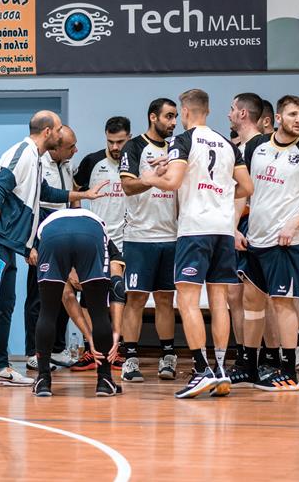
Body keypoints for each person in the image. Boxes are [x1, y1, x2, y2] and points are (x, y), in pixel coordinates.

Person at [0, 110, 108, 390]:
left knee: (5, 306)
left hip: (7, 244)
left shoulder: (36, 159)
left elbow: (43, 193)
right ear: (47, 132)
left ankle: (0, 366)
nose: (61, 134)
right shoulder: (20, 153)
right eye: (58, 130)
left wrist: (83, 195)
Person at [142, 89, 253, 399]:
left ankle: (202, 369)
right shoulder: (228, 144)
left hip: (195, 229)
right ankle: (220, 370)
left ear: (186, 112)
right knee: (220, 301)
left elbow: (173, 181)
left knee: (188, 301)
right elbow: (247, 186)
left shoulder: (184, 140)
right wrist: (218, 192)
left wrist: (151, 177)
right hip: (222, 230)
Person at [237, 95, 299, 391]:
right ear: (278, 117)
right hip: (254, 239)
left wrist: (294, 223)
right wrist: (233, 227)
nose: (298, 119)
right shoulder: (255, 147)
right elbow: (242, 191)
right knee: (251, 302)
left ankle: (288, 371)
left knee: (283, 305)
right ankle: (250, 367)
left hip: (285, 243)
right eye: (292, 114)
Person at [31, 208, 126, 397]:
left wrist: (92, 338)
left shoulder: (53, 233)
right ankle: (104, 380)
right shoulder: (106, 243)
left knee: (47, 312)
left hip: (52, 233)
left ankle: (43, 380)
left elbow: (66, 297)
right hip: (89, 232)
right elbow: (117, 287)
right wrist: (114, 333)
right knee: (99, 311)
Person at [118, 99, 179, 382]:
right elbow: (128, 186)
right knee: (136, 299)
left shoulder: (178, 149)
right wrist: (152, 178)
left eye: (176, 116)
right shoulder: (134, 147)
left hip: (172, 235)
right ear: (152, 117)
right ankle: (130, 358)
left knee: (166, 300)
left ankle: (168, 357)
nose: (173, 122)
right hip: (140, 237)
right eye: (168, 116)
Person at [70, 116, 131, 371]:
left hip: (128, 238)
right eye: (111, 141)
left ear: (128, 137)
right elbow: (75, 191)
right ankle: (90, 347)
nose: (115, 147)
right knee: (89, 295)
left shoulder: (136, 160)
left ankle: (119, 348)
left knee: (119, 292)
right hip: (97, 239)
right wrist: (79, 220)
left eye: (120, 142)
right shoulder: (92, 162)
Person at [25, 124, 79, 371]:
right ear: (55, 149)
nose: (75, 151)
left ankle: (57, 348)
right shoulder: (38, 163)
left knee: (66, 293)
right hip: (43, 229)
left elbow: (72, 196)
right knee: (39, 297)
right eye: (70, 147)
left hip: (66, 228)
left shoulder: (66, 164)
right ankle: (34, 351)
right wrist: (32, 245)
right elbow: (35, 204)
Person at [225, 93, 264, 371]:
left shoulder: (259, 148)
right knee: (234, 295)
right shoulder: (239, 149)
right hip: (240, 225)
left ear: (242, 114)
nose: (228, 113)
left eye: (231, 109)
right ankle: (244, 357)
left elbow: (246, 193)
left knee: (260, 297)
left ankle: (267, 356)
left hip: (255, 227)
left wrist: (235, 227)